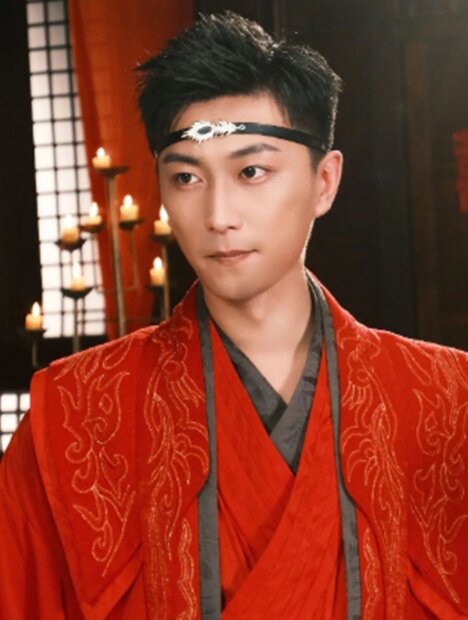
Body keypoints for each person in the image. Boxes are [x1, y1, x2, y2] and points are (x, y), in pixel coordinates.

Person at [1, 11, 467, 620]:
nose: (219, 215)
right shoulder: (72, 413)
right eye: (186, 177)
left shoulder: (447, 401)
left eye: (251, 171)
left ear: (325, 181)